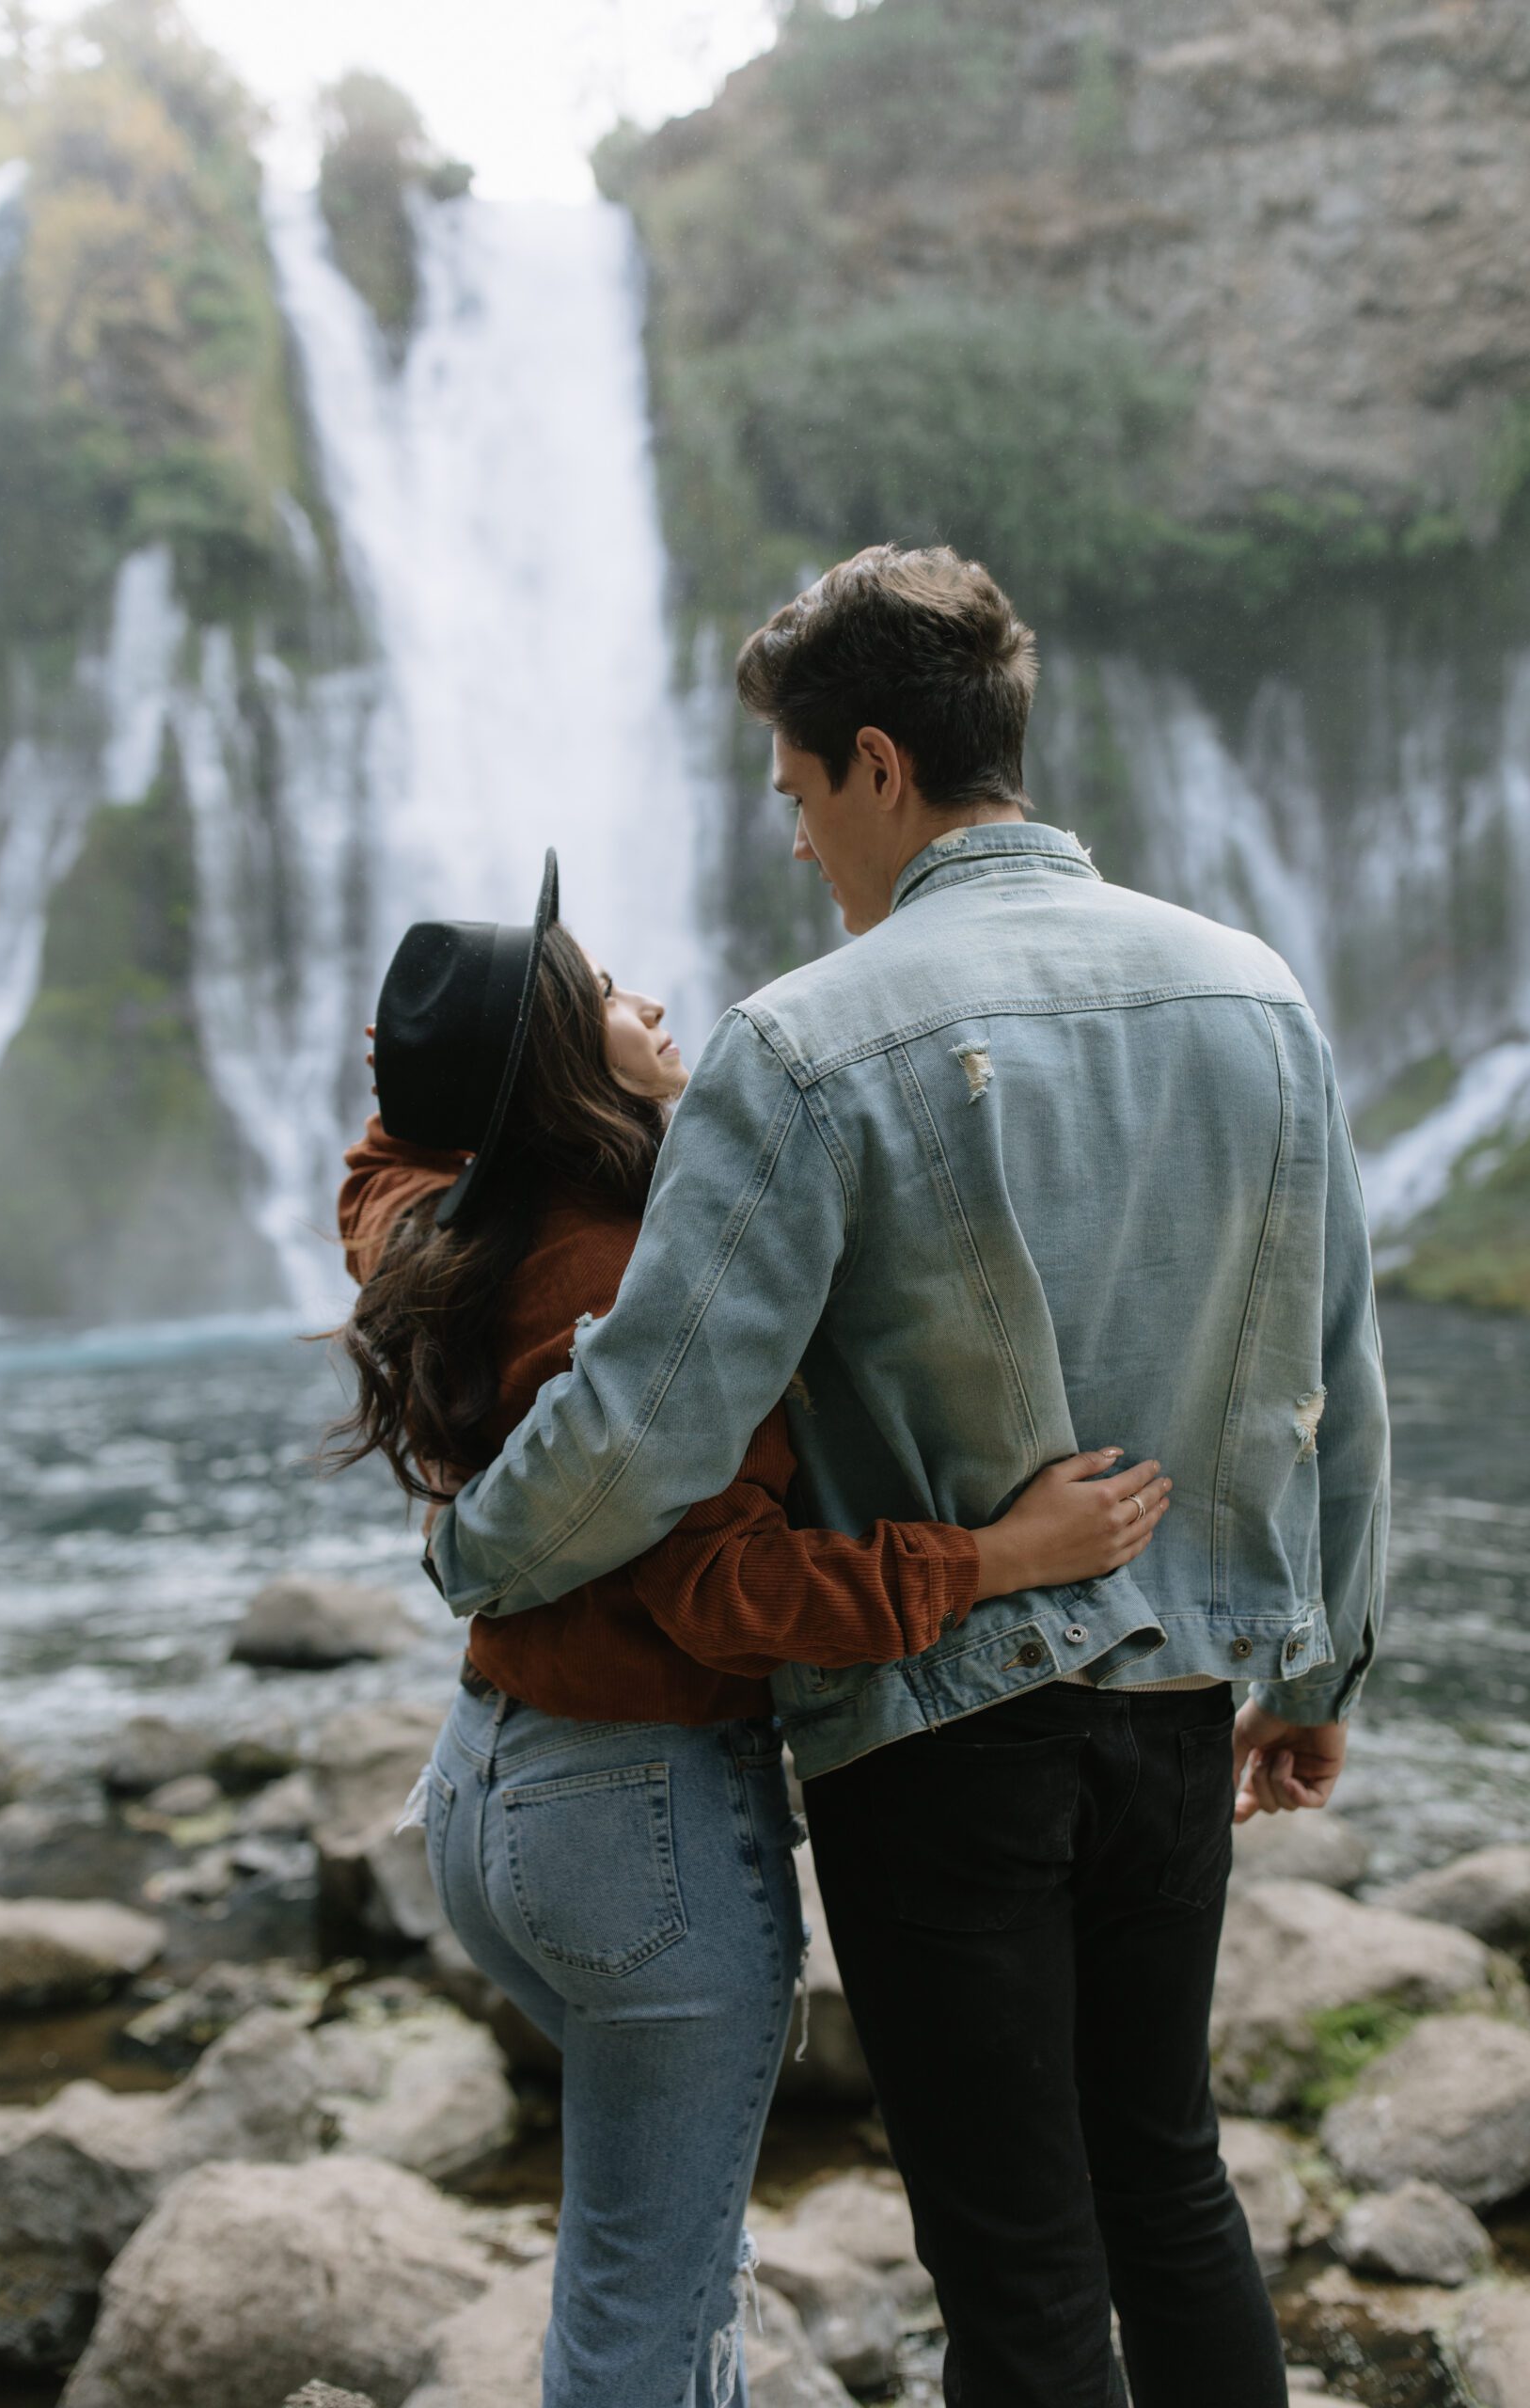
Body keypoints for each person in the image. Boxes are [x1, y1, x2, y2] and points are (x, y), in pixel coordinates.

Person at [421, 546, 1392, 2408]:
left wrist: (479, 1547)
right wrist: (1318, 1664)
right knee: (1168, 2184)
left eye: (796, 793)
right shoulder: (1257, 994)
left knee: (1014, 2260)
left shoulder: (805, 1044)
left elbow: (650, 1419)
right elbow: (1334, 1367)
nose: (795, 841)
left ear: (877, 764)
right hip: (1179, 1710)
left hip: (939, 1732)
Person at [329, 848, 1174, 2408]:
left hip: (485, 1796)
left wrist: (433, 1062)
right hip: (638, 1825)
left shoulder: (429, 1224)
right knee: (650, 2311)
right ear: (552, 1063)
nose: (653, 1003)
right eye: (604, 995)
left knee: (663, 2264)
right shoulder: (631, 1279)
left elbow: (378, 1163)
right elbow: (731, 1594)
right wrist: (999, 1554)